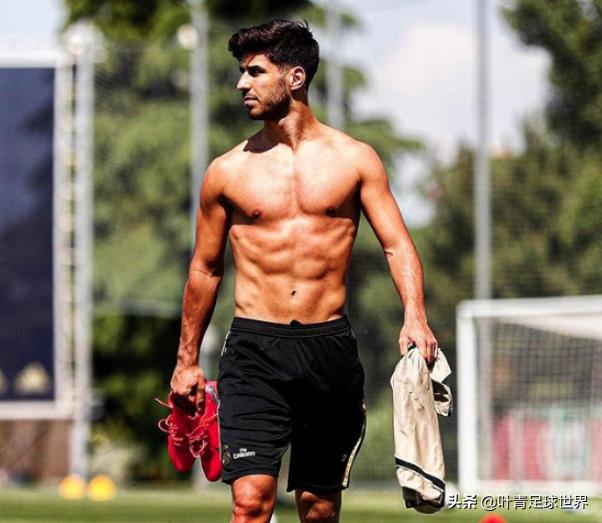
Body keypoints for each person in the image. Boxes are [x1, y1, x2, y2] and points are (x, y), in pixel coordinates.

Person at [169, 19, 437, 523]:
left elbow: (397, 244)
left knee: (318, 508)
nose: (241, 84)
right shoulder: (227, 171)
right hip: (253, 350)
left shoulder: (355, 160)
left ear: (295, 78)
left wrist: (415, 316)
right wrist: (186, 361)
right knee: (250, 502)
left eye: (255, 72)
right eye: (241, 72)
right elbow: (205, 269)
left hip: (327, 350)